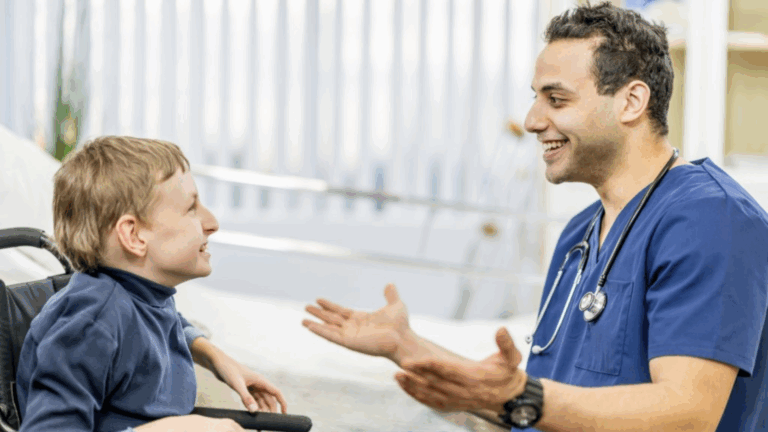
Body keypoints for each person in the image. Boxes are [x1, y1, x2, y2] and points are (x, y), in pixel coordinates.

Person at [302, 2, 768, 431]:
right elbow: (534, 406)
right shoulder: (577, 238)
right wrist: (407, 347)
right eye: (535, 97)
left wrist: (522, 397)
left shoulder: (712, 220)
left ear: (631, 102)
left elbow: (689, 414)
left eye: (556, 99)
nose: (531, 120)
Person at [16, 136, 288, 432]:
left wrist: (215, 358)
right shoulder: (91, 322)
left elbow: (163, 321)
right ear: (133, 236)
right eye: (191, 209)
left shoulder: (140, 292)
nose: (212, 223)